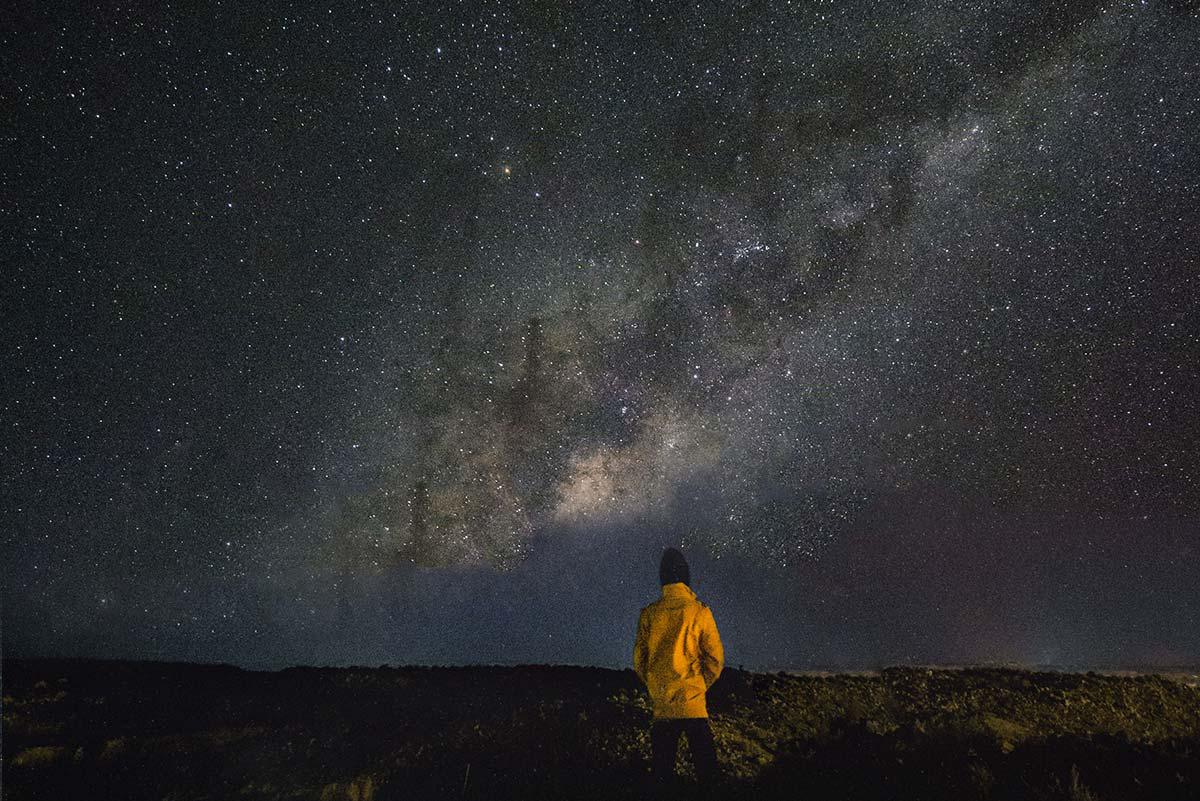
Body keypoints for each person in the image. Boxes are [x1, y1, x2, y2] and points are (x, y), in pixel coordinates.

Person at [633, 547, 725, 789]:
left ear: (663, 578)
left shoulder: (649, 614)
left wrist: (655, 685)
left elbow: (640, 660)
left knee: (662, 776)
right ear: (686, 577)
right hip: (694, 704)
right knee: (709, 777)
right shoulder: (700, 612)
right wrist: (699, 685)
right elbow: (715, 660)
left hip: (663, 705)